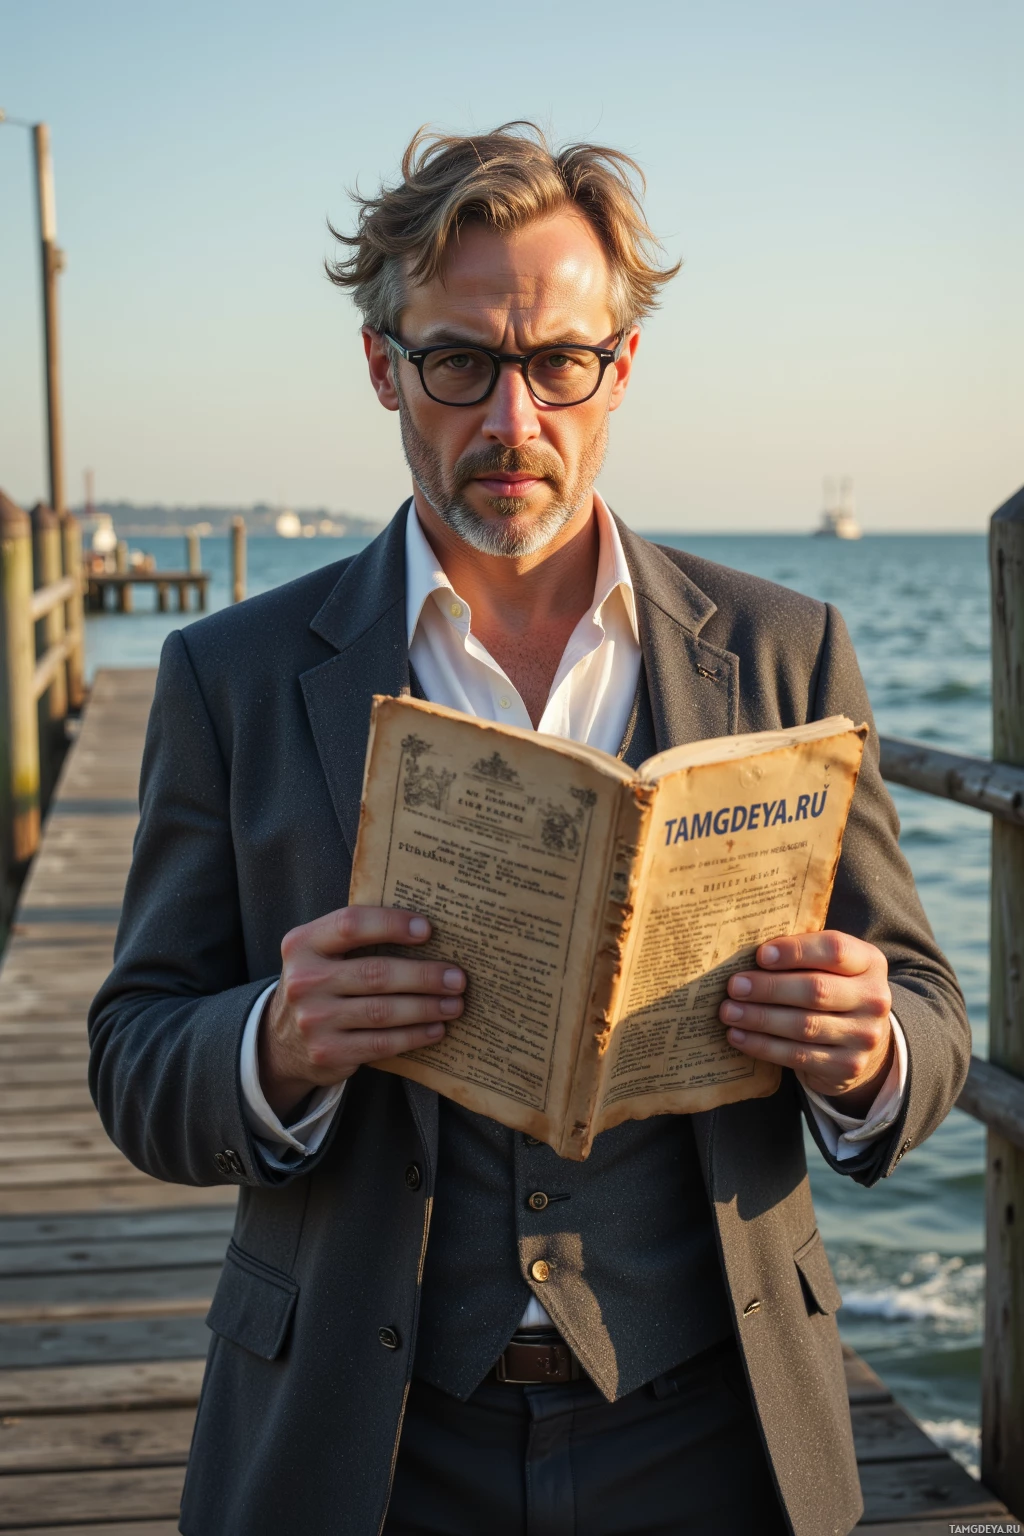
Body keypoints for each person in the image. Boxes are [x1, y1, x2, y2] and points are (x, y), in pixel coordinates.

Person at [89, 123, 970, 1536]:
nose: (515, 422)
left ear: (620, 367)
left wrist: (871, 1052)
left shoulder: (785, 648)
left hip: (713, 1419)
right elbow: (135, 1059)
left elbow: (927, 1015)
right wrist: (276, 1042)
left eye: (560, 362)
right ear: (383, 367)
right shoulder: (231, 677)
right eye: (460, 364)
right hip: (359, 1442)